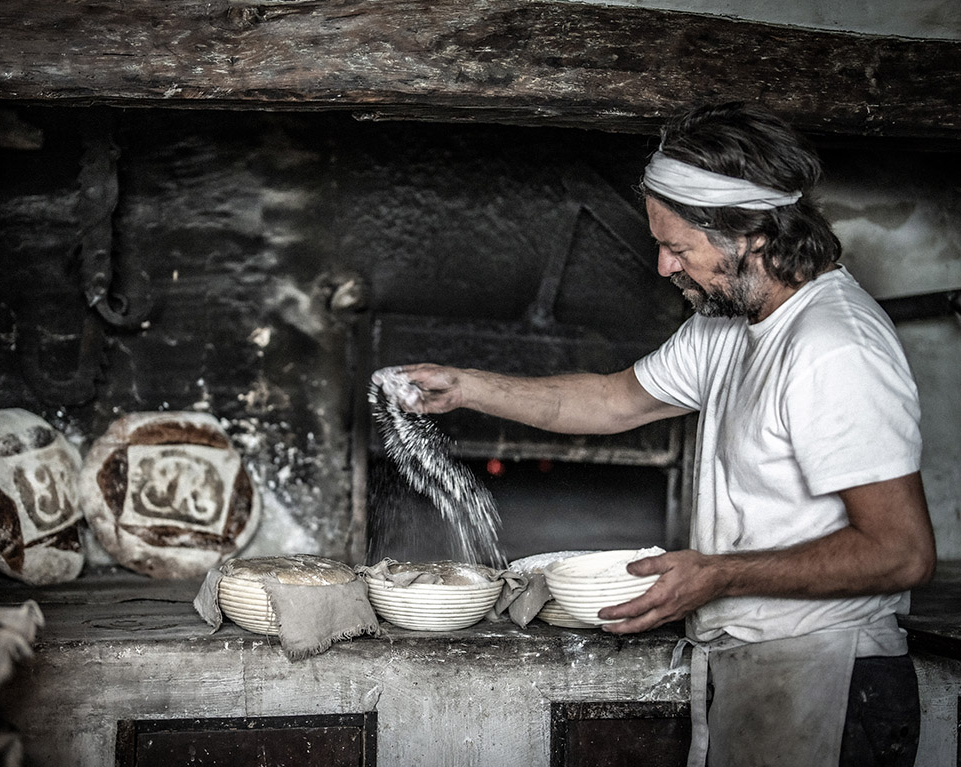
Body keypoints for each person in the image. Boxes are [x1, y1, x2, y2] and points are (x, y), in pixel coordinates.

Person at [373, 102, 937, 767]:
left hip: (835, 678)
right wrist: (465, 387)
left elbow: (901, 552)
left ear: (748, 233)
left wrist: (718, 575)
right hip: (759, 662)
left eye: (677, 246)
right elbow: (613, 401)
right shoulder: (726, 325)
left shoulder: (833, 347)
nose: (665, 266)